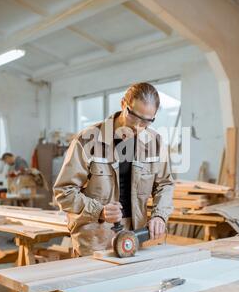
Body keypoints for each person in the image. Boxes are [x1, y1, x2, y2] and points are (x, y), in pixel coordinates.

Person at [53, 82, 174, 257]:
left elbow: (165, 184)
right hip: (95, 236)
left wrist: (159, 215)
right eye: (135, 117)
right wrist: (99, 210)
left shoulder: (154, 142)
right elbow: (64, 191)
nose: (139, 126)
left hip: (135, 236)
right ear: (123, 104)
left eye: (147, 120)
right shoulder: (88, 140)